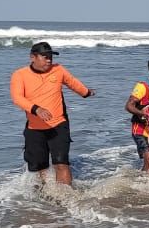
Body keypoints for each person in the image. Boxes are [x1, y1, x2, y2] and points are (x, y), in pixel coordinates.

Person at [9, 42, 94, 186]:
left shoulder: (58, 70)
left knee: (62, 163)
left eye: (50, 57)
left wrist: (86, 92)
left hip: (58, 125)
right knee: (40, 167)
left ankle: (66, 197)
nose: (49, 60)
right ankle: (46, 196)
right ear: (32, 57)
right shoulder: (20, 75)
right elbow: (17, 98)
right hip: (34, 128)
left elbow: (72, 82)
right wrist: (37, 109)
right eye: (45, 56)